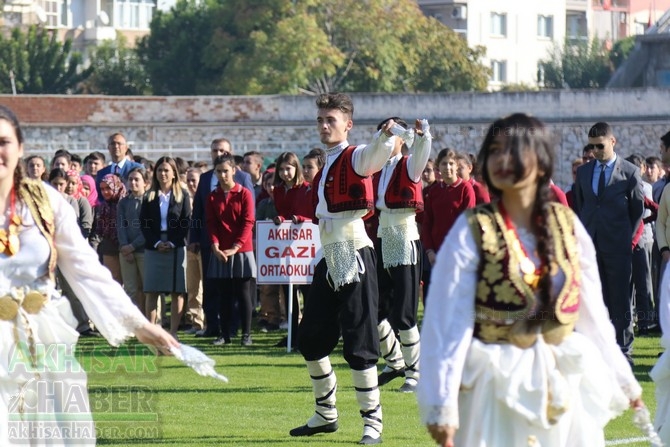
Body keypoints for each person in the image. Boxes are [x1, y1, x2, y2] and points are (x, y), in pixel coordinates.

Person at [417, 113, 644, 447]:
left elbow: (593, 315)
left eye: (514, 151)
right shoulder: (471, 230)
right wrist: (441, 402)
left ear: (539, 160)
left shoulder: (567, 225)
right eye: (494, 151)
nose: (502, 160)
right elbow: (445, 318)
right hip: (494, 391)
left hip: (563, 391)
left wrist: (625, 381)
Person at [0, 105, 178, 446]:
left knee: (54, 432)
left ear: (20, 147)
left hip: (43, 336)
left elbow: (86, 269)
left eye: (4, 141)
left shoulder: (44, 199)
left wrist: (138, 323)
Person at [290, 92, 398, 446]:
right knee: (310, 338)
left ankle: (373, 423)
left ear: (347, 124)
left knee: (359, 341)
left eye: (330, 120)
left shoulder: (356, 156)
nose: (323, 125)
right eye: (320, 119)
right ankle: (326, 414)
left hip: (353, 251)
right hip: (329, 254)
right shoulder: (327, 165)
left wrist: (390, 135)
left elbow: (377, 155)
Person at [573, 122, 645, 364]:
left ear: (612, 142)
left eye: (600, 146)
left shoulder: (630, 172)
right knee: (595, 299)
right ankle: (598, 349)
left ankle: (624, 350)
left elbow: (638, 211)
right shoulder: (583, 172)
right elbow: (583, 206)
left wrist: (627, 240)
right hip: (590, 248)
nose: (595, 151)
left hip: (618, 246)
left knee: (621, 299)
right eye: (592, 147)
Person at [369, 117, 431, 394]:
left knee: (405, 311)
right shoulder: (377, 170)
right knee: (378, 306)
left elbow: (422, 150)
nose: (385, 139)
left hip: (404, 236)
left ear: (402, 139)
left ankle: (415, 371)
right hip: (384, 236)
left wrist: (422, 133)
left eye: (391, 134)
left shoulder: (410, 164)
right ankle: (394, 360)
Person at [206, 154, 256, 346]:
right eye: (218, 171)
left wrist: (236, 247)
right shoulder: (212, 196)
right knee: (224, 295)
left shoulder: (244, 194)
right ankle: (224, 334)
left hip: (241, 249)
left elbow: (248, 222)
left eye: (225, 171)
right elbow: (211, 223)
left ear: (234, 171)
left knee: (244, 294)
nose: (222, 175)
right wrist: (215, 245)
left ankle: (246, 335)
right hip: (220, 250)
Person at [140, 156, 191, 338]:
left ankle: (174, 332)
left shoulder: (182, 195)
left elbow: (186, 222)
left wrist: (172, 242)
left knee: (177, 290)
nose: (163, 174)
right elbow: (144, 223)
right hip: (154, 247)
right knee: (152, 290)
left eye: (167, 170)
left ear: (174, 173)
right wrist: (156, 242)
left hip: (175, 246)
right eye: (160, 170)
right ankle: (153, 332)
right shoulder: (149, 195)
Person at [272, 151, 313, 349]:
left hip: (304, 247)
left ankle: (306, 333)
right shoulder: (278, 190)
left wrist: (299, 219)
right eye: (281, 169)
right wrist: (280, 218)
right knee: (288, 292)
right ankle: (292, 334)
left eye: (288, 168)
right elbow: (282, 211)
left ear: (296, 168)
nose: (284, 173)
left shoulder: (306, 189)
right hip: (285, 246)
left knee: (307, 292)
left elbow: (312, 215)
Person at [421, 148, 476, 297]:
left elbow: (468, 224)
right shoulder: (433, 192)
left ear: (457, 166)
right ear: (439, 167)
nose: (448, 168)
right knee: (438, 298)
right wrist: (430, 251)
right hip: (436, 255)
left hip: (457, 253)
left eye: (451, 163)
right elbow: (427, 223)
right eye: (444, 164)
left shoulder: (466, 189)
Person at [117, 166, 149, 315]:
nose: (133, 182)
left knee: (150, 288)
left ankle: (156, 322)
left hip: (145, 251)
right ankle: (134, 323)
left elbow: (149, 229)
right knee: (130, 289)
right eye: (130, 179)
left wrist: (133, 246)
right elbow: (120, 226)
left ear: (145, 183)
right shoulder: (123, 203)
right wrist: (125, 246)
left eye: (137, 179)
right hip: (126, 252)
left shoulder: (150, 201)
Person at [91, 174, 126, 284]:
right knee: (113, 282)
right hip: (109, 247)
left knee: (132, 286)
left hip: (127, 248)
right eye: (102, 189)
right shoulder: (104, 206)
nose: (105, 192)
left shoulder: (125, 203)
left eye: (108, 188)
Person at [184, 166, 205, 334]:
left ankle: (208, 321)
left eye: (194, 180)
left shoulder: (206, 199)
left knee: (206, 287)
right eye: (188, 180)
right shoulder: (183, 199)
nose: (191, 184)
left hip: (203, 247)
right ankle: (196, 321)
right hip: (188, 247)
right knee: (192, 288)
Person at [95, 133, 143, 198]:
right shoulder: (101, 173)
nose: (116, 146)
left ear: (126, 147)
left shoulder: (137, 168)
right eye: (113, 143)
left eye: (119, 143)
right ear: (108, 148)